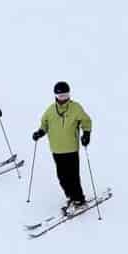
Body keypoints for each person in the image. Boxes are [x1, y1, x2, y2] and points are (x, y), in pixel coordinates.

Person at [32, 81, 93, 211]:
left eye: (65, 95)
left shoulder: (76, 108)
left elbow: (86, 121)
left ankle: (79, 199)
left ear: (69, 94)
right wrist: (40, 132)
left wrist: (86, 134)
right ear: (55, 96)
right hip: (56, 149)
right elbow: (45, 124)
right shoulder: (50, 110)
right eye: (60, 96)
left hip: (71, 148)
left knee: (73, 176)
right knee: (62, 177)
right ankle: (70, 196)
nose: (63, 98)